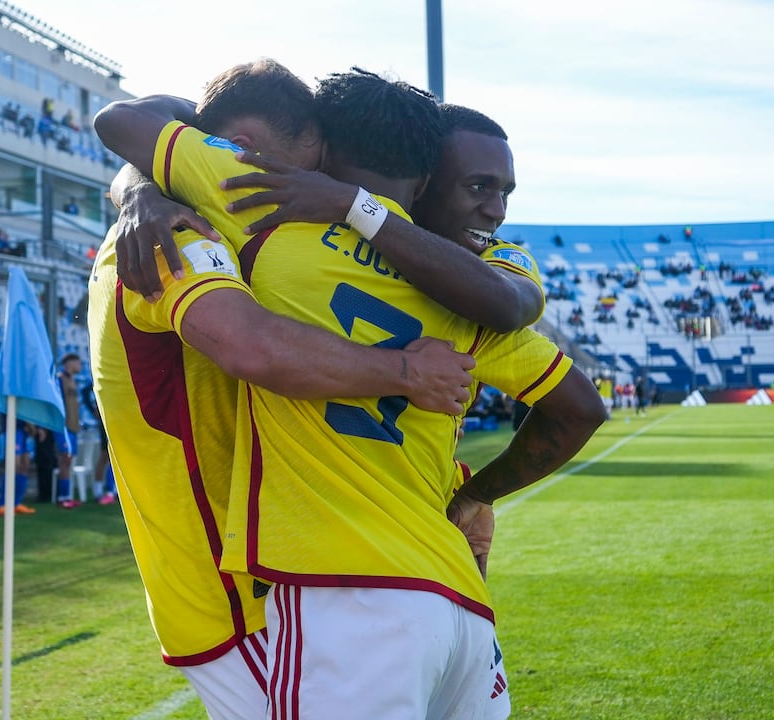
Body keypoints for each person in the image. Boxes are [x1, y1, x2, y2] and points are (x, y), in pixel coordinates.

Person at [95, 64, 605, 718]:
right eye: (478, 187)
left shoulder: (253, 219)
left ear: (325, 155)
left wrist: (143, 185)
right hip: (457, 604)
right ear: (422, 186)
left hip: (313, 592)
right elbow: (576, 402)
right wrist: (474, 493)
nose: (495, 210)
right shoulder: (464, 292)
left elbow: (130, 120)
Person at [52, 353, 83, 509]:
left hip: (73, 426)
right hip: (63, 427)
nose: (80, 366)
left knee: (68, 461)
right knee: (65, 459)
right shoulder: (59, 379)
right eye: (78, 363)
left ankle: (67, 496)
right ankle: (62, 497)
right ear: (70, 363)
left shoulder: (73, 380)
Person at [0, 420, 36, 515]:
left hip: (24, 431)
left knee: (24, 465)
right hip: (13, 429)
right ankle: (2, 504)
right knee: (13, 465)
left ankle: (17, 503)